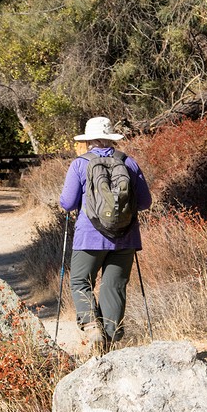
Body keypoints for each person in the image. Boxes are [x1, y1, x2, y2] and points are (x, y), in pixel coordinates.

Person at [59, 116, 152, 352]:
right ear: (111, 138)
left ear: (89, 140)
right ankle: (109, 344)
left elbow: (68, 203)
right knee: (114, 287)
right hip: (126, 237)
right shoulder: (128, 163)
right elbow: (144, 202)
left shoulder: (80, 164)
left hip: (88, 236)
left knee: (81, 281)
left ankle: (92, 327)